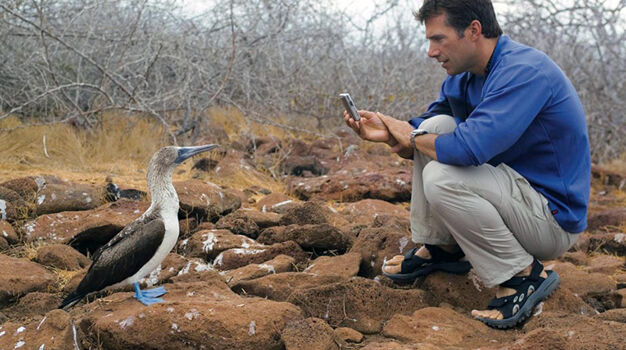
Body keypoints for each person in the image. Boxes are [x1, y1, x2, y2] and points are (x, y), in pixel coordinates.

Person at [343, 0, 590, 329]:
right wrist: (389, 133)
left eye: (439, 39)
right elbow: (425, 136)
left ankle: (523, 275)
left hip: (550, 220)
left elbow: (466, 150)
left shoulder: (524, 72)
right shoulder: (466, 77)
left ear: (474, 30)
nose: (431, 51)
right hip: (512, 198)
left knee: (442, 175)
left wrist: (409, 135)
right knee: (435, 128)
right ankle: (443, 248)